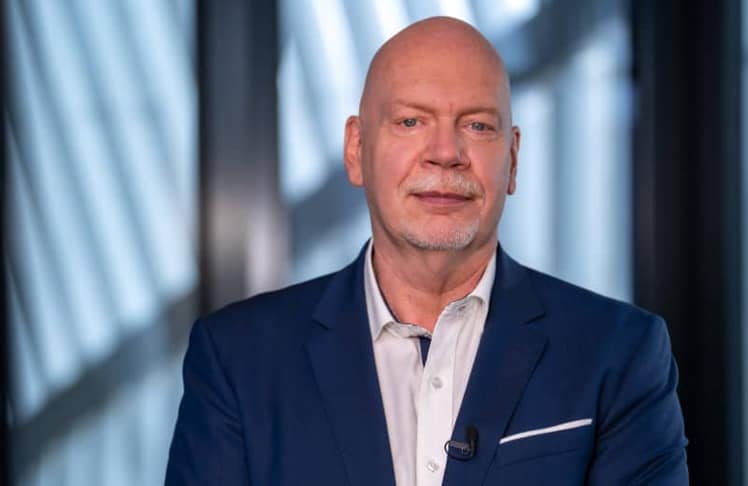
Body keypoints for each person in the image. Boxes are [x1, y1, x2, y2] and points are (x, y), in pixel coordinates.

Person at [165, 16, 688, 486]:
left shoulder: (619, 353)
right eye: (411, 121)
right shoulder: (237, 360)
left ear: (512, 159)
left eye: (477, 125)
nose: (445, 153)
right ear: (356, 150)